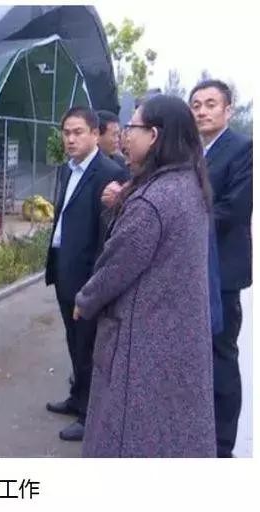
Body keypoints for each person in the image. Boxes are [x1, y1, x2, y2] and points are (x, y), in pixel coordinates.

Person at [75, 95, 216, 457]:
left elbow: (115, 267)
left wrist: (84, 301)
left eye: (132, 127)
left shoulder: (153, 200)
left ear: (153, 135)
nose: (125, 135)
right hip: (173, 334)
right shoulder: (188, 183)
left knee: (129, 435)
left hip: (142, 341)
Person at [44, 107, 129, 442]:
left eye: (78, 132)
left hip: (87, 277)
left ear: (95, 134)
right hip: (63, 268)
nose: (70, 139)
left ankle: (88, 414)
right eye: (66, 132)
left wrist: (95, 283)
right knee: (73, 341)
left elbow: (107, 236)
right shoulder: (68, 170)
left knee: (89, 346)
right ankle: (76, 397)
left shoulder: (109, 174)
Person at [189, 79, 253, 458]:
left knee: (222, 356)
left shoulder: (242, 149)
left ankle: (222, 445)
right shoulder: (192, 152)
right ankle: (198, 430)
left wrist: (183, 222)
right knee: (197, 355)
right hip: (191, 270)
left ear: (228, 110)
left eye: (210, 104)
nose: (202, 111)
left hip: (223, 273)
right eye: (196, 105)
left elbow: (234, 208)